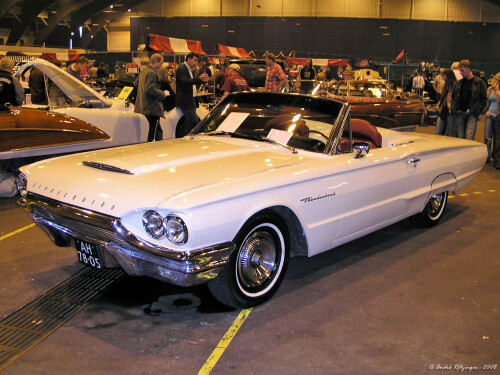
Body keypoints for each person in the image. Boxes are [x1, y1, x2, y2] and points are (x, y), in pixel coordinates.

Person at [175, 52, 209, 137]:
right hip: (185, 101)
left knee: (189, 121)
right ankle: (185, 138)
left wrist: (201, 80)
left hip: (191, 100)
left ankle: (186, 138)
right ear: (189, 59)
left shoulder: (189, 70)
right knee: (194, 121)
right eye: (195, 60)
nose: (196, 63)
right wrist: (199, 79)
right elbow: (184, 82)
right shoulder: (182, 69)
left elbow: (191, 83)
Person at [451, 59, 487, 140]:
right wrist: (454, 109)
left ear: (468, 69)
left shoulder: (480, 83)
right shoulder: (458, 83)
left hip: (472, 113)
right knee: (460, 137)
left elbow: (484, 99)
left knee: (469, 136)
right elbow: (453, 97)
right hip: (460, 112)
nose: (460, 72)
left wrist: (479, 111)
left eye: (462, 70)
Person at [134, 53, 167, 142]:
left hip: (142, 106)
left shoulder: (143, 71)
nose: (161, 65)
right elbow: (149, 89)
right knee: (152, 131)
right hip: (151, 107)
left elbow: (136, 83)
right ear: (156, 62)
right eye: (161, 63)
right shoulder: (151, 73)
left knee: (152, 130)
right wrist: (162, 93)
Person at [482, 73, 500, 164]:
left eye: (499, 80)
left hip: (498, 116)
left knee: (497, 138)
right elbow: (487, 103)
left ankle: (496, 157)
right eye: (496, 79)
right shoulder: (489, 90)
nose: (496, 81)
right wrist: (482, 113)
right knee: (487, 136)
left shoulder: (497, 91)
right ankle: (487, 156)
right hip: (489, 115)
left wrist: (497, 91)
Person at [435, 69, 457, 137]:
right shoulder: (445, 85)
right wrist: (438, 105)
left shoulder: (455, 85)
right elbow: (443, 97)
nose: (442, 77)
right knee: (439, 131)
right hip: (443, 110)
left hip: (450, 111)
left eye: (443, 75)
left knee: (451, 132)